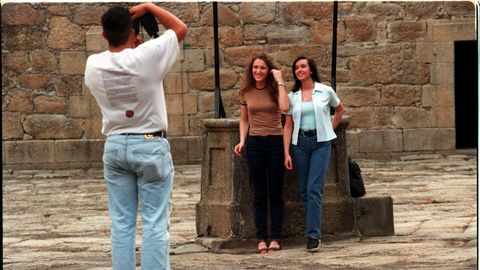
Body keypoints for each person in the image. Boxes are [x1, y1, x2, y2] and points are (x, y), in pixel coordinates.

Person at [84, 3, 187, 269]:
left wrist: (132, 46)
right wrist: (149, 6)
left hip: (116, 145)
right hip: (149, 143)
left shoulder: (93, 64)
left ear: (104, 35)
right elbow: (180, 28)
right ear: (133, 32)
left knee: (121, 224)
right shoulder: (147, 55)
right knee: (154, 222)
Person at [283, 56, 345, 253]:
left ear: (311, 70)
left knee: (314, 189)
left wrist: (329, 130)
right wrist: (286, 152)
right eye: (296, 68)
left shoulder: (325, 91)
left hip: (320, 144)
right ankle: (312, 230)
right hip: (299, 144)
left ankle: (313, 235)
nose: (299, 70)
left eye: (303, 66)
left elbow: (340, 110)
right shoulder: (293, 96)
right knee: (304, 191)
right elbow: (288, 125)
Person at [234, 53, 290, 253]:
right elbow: (244, 120)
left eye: (263, 68)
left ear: (268, 71)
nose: (258, 71)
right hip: (255, 144)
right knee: (258, 193)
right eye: (255, 67)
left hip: (275, 142)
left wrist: (280, 81)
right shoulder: (245, 92)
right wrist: (242, 140)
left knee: (275, 191)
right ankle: (261, 238)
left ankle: (275, 237)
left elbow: (285, 108)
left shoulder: (276, 90)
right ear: (251, 70)